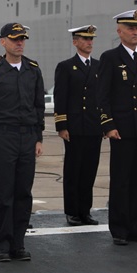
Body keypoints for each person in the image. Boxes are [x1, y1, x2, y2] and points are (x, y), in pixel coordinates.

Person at [0, 23, 45, 262]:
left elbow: (39, 107)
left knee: (23, 193)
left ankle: (18, 243)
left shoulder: (33, 70)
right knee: (4, 194)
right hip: (2, 137)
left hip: (27, 137)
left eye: (23, 39)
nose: (20, 43)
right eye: (15, 39)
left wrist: (38, 137)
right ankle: (2, 244)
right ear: (3, 41)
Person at [97, 10, 137, 246]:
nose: (136, 32)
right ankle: (120, 229)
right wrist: (108, 125)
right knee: (122, 180)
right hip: (123, 129)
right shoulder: (110, 58)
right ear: (120, 31)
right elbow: (102, 95)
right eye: (131, 28)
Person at [53, 25, 102, 226]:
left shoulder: (99, 66)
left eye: (91, 39)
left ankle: (85, 211)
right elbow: (60, 97)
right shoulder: (66, 67)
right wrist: (62, 125)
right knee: (74, 171)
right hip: (74, 127)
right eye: (84, 39)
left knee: (90, 171)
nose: (89, 42)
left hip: (94, 127)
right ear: (75, 42)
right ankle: (72, 211)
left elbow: (104, 97)